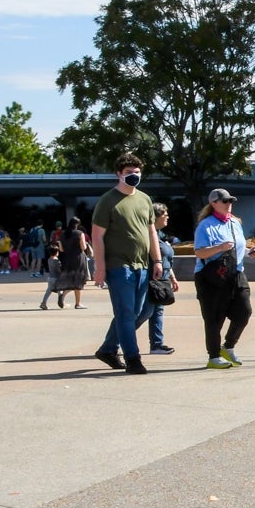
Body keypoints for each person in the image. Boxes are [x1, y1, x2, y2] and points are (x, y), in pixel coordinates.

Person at [90, 153, 164, 375]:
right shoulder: (108, 201)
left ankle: (108, 349)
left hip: (142, 266)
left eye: (137, 172)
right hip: (118, 266)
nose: (134, 176)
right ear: (119, 174)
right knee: (125, 313)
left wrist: (157, 260)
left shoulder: (144, 199)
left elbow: (151, 232)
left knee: (140, 312)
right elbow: (97, 236)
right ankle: (133, 358)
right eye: (129, 173)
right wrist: (100, 267)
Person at [193, 189, 255, 370]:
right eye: (225, 201)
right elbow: (199, 252)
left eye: (230, 201)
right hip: (213, 277)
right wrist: (219, 248)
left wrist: (248, 252)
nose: (229, 204)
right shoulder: (205, 225)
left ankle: (228, 346)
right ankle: (213, 356)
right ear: (214, 204)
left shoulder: (235, 223)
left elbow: (237, 247)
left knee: (244, 311)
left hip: (235, 273)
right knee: (214, 318)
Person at [136, 202, 177, 355]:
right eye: (164, 214)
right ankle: (121, 336)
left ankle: (157, 344)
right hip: (151, 280)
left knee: (157, 311)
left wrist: (172, 277)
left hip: (163, 279)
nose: (167, 217)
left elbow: (165, 258)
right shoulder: (148, 235)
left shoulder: (160, 235)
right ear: (156, 217)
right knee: (145, 312)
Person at [55, 221, 90, 310]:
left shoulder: (63, 234)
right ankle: (77, 303)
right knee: (78, 281)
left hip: (67, 258)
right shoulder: (79, 233)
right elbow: (83, 248)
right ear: (77, 225)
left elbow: (61, 249)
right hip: (78, 258)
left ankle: (63, 295)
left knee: (73, 280)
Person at [38, 238, 66, 310]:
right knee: (60, 290)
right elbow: (58, 270)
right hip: (56, 278)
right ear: (56, 252)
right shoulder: (56, 260)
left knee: (49, 291)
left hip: (50, 277)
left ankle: (44, 302)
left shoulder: (49, 259)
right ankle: (60, 302)